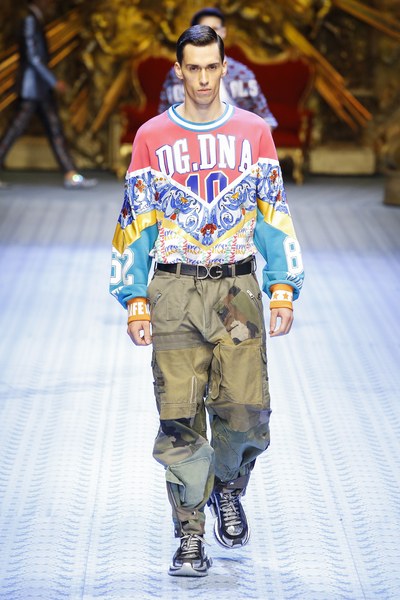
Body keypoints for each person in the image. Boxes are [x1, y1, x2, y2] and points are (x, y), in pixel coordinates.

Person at [110, 25, 304, 577]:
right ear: (179, 70)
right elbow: (135, 219)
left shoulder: (254, 132)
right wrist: (134, 297)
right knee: (179, 417)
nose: (201, 78)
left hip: (235, 294)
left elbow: (272, 211)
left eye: (210, 67)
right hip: (173, 290)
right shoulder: (152, 136)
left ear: (224, 68)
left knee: (245, 410)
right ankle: (190, 534)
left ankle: (227, 486)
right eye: (191, 68)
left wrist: (283, 285)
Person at [0, 0, 97, 190]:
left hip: (38, 87)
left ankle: (70, 173)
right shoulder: (29, 19)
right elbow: (33, 57)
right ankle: (70, 173)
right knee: (16, 131)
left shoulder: (34, 18)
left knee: (54, 129)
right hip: (32, 87)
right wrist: (53, 81)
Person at [158, 6, 277, 130]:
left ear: (224, 32)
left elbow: (266, 120)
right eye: (204, 28)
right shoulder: (175, 76)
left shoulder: (241, 74)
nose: (210, 34)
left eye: (215, 29)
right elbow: (163, 120)